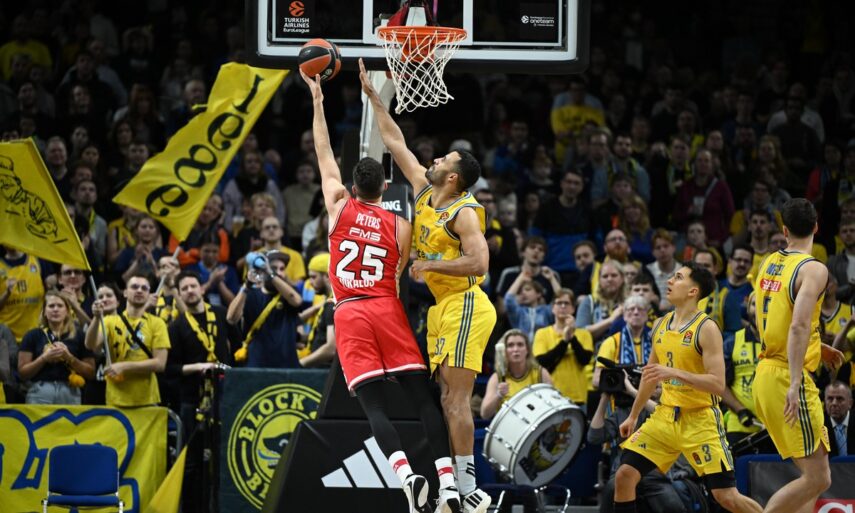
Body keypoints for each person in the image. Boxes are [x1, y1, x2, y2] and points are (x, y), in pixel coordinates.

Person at [308, 70, 463, 513]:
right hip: (386, 306)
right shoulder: (401, 225)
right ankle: (448, 485)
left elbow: (323, 151)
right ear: (385, 189)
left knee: (374, 407)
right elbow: (401, 274)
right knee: (422, 399)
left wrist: (317, 100)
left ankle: (406, 477)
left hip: (349, 310)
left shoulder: (337, 204)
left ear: (353, 187)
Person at [361, 59, 496, 512]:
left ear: (453, 176)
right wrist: (376, 97)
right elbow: (395, 142)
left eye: (443, 160)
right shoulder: (423, 189)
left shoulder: (464, 211)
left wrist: (430, 263)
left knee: (456, 400)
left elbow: (480, 263)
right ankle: (458, 486)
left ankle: (468, 488)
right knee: (446, 399)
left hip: (466, 303)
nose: (434, 160)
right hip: (441, 308)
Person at [614, 262, 763, 513]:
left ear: (693, 291)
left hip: (700, 420)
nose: (670, 281)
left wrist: (674, 372)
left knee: (726, 496)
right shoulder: (660, 324)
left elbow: (718, 384)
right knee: (624, 476)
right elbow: (650, 375)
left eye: (678, 277)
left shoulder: (707, 328)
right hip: (665, 417)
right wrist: (633, 415)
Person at [753, 199, 844, 513]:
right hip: (787, 378)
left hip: (766, 372)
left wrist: (817, 347)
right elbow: (798, 324)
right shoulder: (814, 268)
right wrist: (794, 382)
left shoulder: (768, 262)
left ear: (784, 230)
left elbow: (767, 317)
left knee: (811, 477)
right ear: (817, 226)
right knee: (819, 478)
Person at [166, 271, 234, 513]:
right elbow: (169, 368)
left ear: (202, 288)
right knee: (192, 461)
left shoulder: (221, 313)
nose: (190, 291)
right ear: (179, 294)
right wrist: (198, 367)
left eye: (193, 286)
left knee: (222, 456)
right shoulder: (176, 326)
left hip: (223, 397)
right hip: (191, 399)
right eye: (184, 289)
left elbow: (237, 347)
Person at [85, 273, 170, 407]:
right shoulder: (109, 321)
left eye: (144, 288)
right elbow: (91, 345)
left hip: (146, 399)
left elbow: (160, 364)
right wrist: (96, 318)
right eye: (134, 287)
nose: (139, 290)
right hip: (116, 399)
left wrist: (124, 367)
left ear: (149, 295)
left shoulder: (157, 323)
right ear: (125, 293)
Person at [226, 251, 302, 368]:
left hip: (286, 366)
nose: (279, 273)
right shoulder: (251, 294)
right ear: (262, 271)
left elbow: (296, 301)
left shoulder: (289, 293)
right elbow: (231, 319)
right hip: (257, 365)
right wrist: (246, 285)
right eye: (274, 268)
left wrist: (270, 273)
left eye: (282, 269)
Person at [18, 291, 96, 404]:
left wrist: (69, 357)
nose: (55, 309)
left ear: (67, 311)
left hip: (71, 390)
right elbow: (22, 374)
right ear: (44, 312)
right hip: (40, 391)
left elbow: (91, 373)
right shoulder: (32, 335)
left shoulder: (80, 335)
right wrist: (44, 358)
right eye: (51, 306)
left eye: (60, 306)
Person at [533, 289, 594, 406]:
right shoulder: (542, 333)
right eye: (559, 303)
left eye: (566, 303)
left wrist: (572, 337)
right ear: (552, 308)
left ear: (573, 309)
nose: (562, 306)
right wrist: (565, 341)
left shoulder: (584, 334)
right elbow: (542, 362)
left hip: (578, 396)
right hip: (551, 395)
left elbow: (584, 360)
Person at [480, 329, 552, 419]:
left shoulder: (541, 373)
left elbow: (552, 404)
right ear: (504, 351)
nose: (516, 349)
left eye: (520, 345)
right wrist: (498, 395)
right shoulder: (497, 378)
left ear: (527, 350)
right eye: (510, 345)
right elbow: (484, 414)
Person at [721, 293, 763, 446]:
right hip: (740, 425)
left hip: (776, 427)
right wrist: (740, 410)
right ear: (747, 309)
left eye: (764, 303)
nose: (758, 309)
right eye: (754, 304)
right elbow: (720, 384)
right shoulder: (731, 343)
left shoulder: (783, 343)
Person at [823, 381, 853, 457]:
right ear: (825, 402)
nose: (834, 403)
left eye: (840, 399)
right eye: (830, 399)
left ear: (850, 403)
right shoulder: (819, 425)